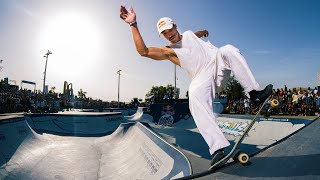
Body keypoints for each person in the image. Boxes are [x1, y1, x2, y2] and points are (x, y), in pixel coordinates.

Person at [120, 5, 273, 165]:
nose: (168, 35)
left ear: (175, 26)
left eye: (169, 30)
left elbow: (192, 36)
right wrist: (133, 24)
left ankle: (255, 94)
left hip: (218, 64)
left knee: (228, 50)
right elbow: (143, 51)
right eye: (164, 33)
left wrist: (201, 32)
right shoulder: (169, 51)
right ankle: (217, 149)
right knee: (194, 95)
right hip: (202, 78)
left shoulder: (189, 35)